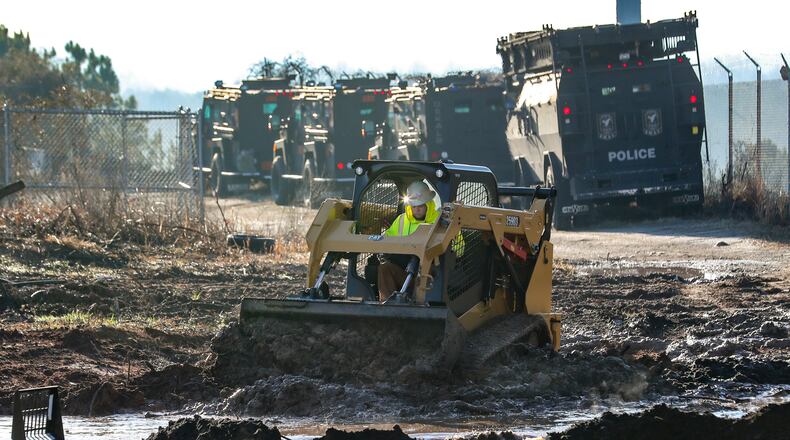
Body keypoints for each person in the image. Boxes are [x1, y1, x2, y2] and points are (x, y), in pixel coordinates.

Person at [378, 180, 439, 301]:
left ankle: (419, 304)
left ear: (428, 203)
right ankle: (386, 305)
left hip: (428, 276)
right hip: (405, 271)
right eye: (414, 206)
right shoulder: (401, 220)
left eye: (420, 206)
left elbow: (457, 247)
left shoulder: (439, 221)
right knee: (384, 268)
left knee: (428, 269)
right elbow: (387, 239)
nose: (417, 209)